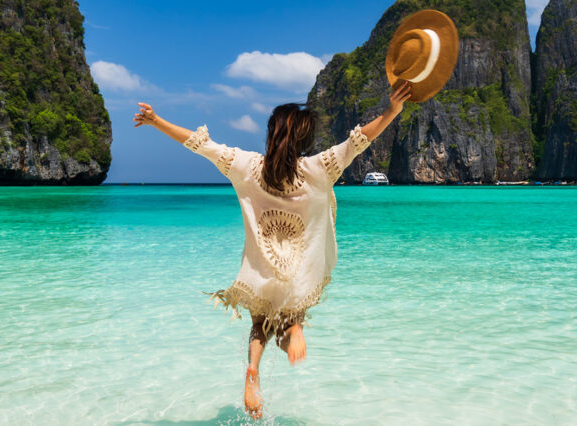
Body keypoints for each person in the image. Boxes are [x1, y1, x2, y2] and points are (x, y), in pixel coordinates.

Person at [133, 81, 412, 419]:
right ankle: (292, 331)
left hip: (261, 274)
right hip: (299, 279)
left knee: (258, 325)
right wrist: (391, 111)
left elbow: (200, 145)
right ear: (305, 141)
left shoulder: (246, 166)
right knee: (286, 327)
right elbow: (359, 141)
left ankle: (253, 371)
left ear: (271, 134)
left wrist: (156, 121)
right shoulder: (319, 168)